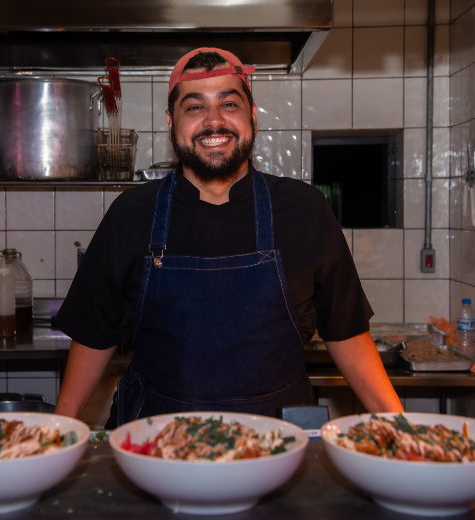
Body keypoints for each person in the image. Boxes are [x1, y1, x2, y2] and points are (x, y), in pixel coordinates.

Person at [53, 47, 403, 428]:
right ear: (172, 122)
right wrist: (57, 431)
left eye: (229, 104)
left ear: (252, 116)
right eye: (194, 107)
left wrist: (401, 429)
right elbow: (93, 336)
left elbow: (347, 332)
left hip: (281, 446)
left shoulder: (305, 209)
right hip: (155, 446)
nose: (213, 121)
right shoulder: (130, 214)